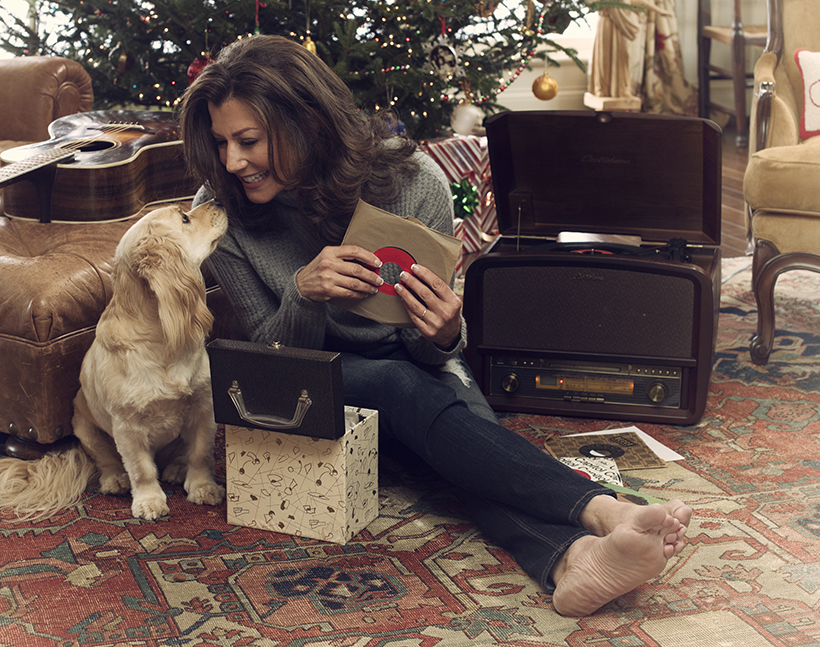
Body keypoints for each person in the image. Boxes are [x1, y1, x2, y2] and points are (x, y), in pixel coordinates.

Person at [177, 34, 692, 618]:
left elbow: (426, 355)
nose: (232, 162)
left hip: (413, 374)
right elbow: (271, 363)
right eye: (221, 143)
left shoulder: (413, 181)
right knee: (409, 394)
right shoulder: (221, 211)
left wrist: (445, 333)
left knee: (462, 426)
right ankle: (604, 510)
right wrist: (303, 293)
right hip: (313, 383)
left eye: (248, 141)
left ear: (307, 124)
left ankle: (572, 558)